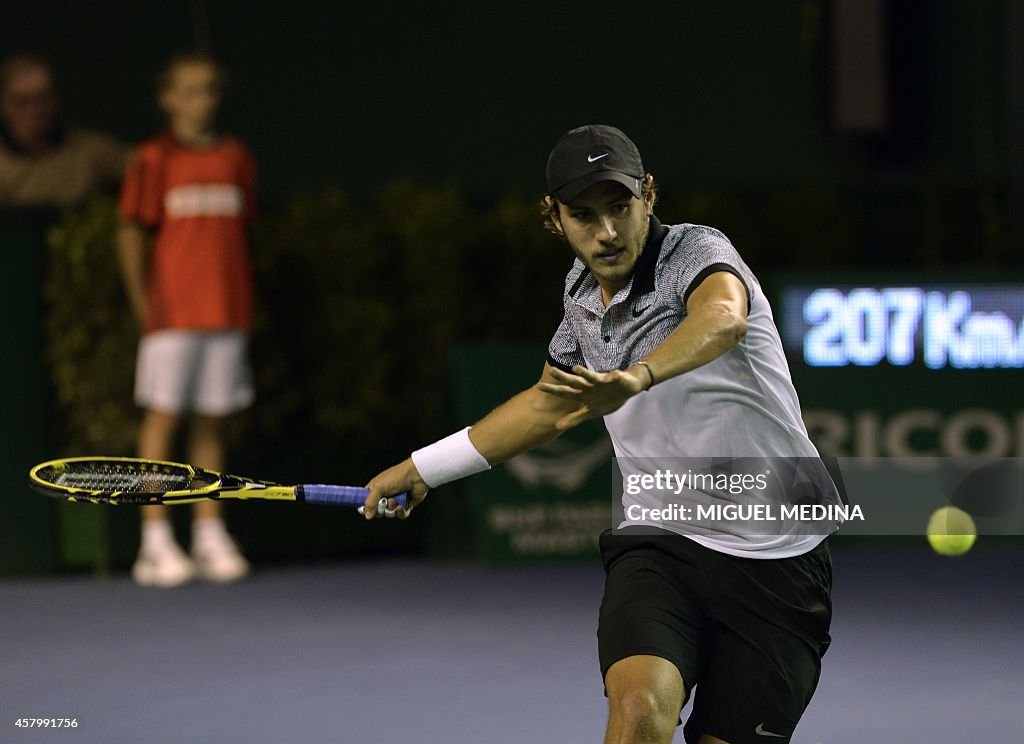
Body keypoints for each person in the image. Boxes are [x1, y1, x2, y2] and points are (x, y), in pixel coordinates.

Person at [362, 125, 839, 744]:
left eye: (620, 208)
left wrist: (638, 376)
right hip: (661, 544)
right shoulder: (581, 298)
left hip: (778, 559)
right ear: (554, 218)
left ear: (648, 195)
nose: (607, 232)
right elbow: (548, 407)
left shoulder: (696, 253)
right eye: (583, 215)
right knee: (637, 711)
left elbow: (722, 318)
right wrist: (423, 467)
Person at [117, 53, 255, 588]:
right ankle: (154, 540)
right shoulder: (153, 159)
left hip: (227, 311)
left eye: (211, 90)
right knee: (163, 419)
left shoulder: (236, 157)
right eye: (191, 91)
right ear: (168, 98)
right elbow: (130, 232)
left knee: (213, 420)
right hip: (172, 314)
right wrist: (142, 304)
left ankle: (208, 532)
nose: (204, 101)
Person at [0, 54, 131, 206]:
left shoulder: (93, 152)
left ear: (56, 100)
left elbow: (144, 167)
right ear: (4, 105)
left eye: (44, 99)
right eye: (22, 102)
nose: (35, 111)